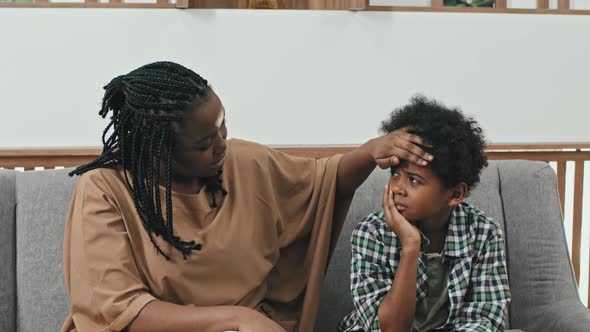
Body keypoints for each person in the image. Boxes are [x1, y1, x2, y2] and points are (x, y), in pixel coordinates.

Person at [60, 61, 433, 332]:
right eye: (205, 143)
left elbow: (323, 182)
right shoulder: (105, 191)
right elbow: (121, 311)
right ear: (160, 153)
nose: (223, 144)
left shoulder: (243, 162)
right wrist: (237, 317)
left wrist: (370, 151)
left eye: (223, 125)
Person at [338, 96, 511, 332]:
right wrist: (410, 245)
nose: (398, 188)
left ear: (455, 194)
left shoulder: (484, 234)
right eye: (395, 174)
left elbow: (484, 320)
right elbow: (387, 329)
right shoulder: (372, 232)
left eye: (413, 180)